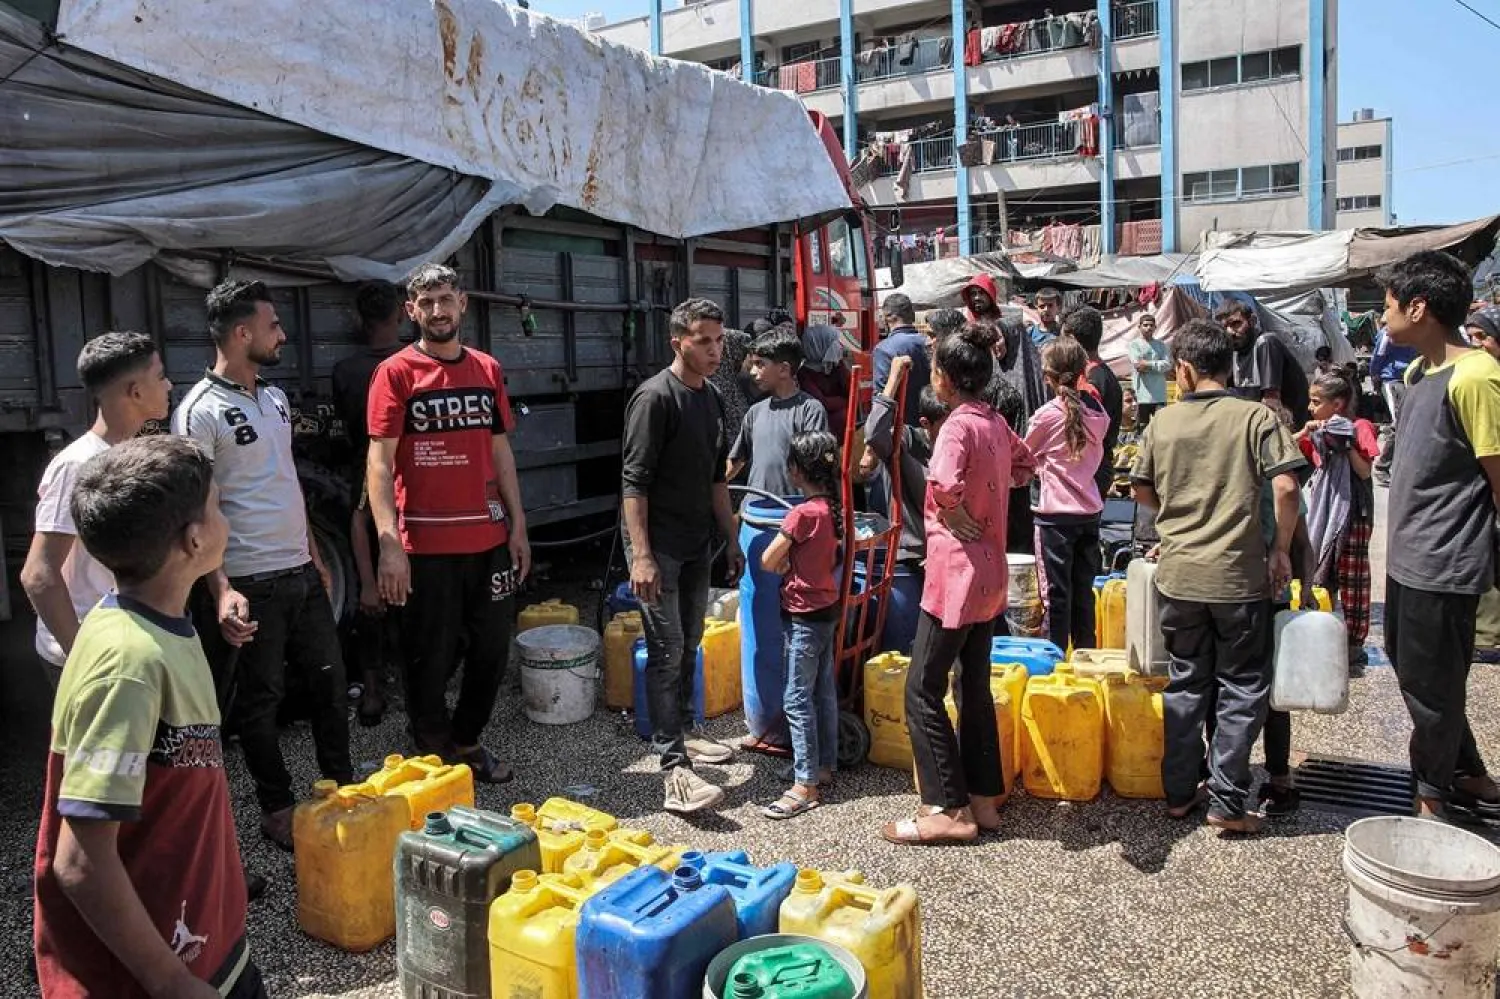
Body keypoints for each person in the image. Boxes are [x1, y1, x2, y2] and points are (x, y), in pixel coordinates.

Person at [33, 436, 267, 999]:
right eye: (217, 506)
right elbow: (81, 862)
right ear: (193, 540)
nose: (224, 518)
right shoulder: (128, 663)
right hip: (156, 977)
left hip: (211, 949)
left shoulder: (158, 622)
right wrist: (169, 980)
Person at [173, 280, 353, 850]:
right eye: (273, 325)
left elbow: (285, 484)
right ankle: (276, 806)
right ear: (242, 332)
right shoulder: (199, 411)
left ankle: (341, 789)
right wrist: (220, 588)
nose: (282, 334)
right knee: (260, 701)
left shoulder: (274, 399)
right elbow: (200, 510)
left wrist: (314, 555)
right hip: (249, 583)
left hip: (301, 571)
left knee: (330, 686)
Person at [1130, 318, 1305, 834]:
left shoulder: (1162, 423)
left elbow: (1140, 490)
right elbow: (1288, 489)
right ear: (1227, 366)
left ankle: (1180, 793)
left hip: (1180, 576)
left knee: (1186, 683)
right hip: (1238, 579)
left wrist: (1176, 518)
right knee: (1241, 686)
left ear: (1182, 369)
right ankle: (1227, 802)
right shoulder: (1256, 417)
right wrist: (1279, 550)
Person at [365, 263, 530, 784]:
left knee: (491, 651)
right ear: (411, 310)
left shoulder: (486, 368)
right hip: (425, 545)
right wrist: (389, 544)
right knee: (428, 658)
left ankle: (467, 740)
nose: (437, 311)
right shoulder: (395, 373)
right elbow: (378, 463)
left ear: (463, 302)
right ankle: (435, 753)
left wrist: (519, 526)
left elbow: (500, 450)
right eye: (425, 302)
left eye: (445, 299)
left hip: (488, 538)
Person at [881, 324, 1035, 846]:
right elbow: (1025, 464)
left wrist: (955, 510)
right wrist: (990, 497)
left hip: (955, 575)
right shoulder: (993, 420)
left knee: (921, 688)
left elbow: (942, 484)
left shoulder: (954, 427)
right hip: (989, 577)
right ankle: (984, 800)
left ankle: (949, 807)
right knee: (972, 686)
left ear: (942, 379)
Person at [1379, 251, 1500, 822]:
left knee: (1432, 685)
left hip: (1445, 560)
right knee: (1420, 673)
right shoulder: (1416, 373)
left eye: (1388, 305)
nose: (1382, 318)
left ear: (1418, 307)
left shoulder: (1478, 376)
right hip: (1409, 557)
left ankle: (1432, 797)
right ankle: (1468, 771)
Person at [620, 298, 745, 813]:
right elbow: (633, 484)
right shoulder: (655, 399)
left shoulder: (712, 397)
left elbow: (718, 478)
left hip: (698, 545)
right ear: (679, 342)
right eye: (703, 340)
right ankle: (673, 768)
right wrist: (642, 556)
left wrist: (731, 536)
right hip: (659, 549)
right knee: (667, 651)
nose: (715, 349)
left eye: (719, 340)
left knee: (690, 643)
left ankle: (688, 730)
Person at [22, 331, 172, 691]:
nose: (169, 385)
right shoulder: (77, 465)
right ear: (135, 392)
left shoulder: (128, 454)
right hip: (95, 658)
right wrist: (83, 661)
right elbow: (38, 575)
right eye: (160, 376)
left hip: (123, 647)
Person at [759, 431, 845, 820]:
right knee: (822, 691)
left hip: (803, 616)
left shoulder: (802, 514)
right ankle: (823, 765)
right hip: (826, 608)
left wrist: (784, 563)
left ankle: (804, 784)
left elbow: (767, 560)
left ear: (795, 471)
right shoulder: (830, 509)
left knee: (797, 698)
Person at [331, 280, 405, 726]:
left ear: (360, 320)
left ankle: (374, 688)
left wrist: (366, 583)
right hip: (412, 482)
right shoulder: (413, 363)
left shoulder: (346, 370)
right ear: (401, 313)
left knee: (373, 597)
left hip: (365, 472)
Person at [1025, 338, 1110, 654]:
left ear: (1048, 375)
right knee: (1083, 593)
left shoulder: (1047, 415)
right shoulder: (1097, 411)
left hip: (1054, 519)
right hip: (1089, 513)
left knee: (1054, 597)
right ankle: (1087, 658)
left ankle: (1054, 662)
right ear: (1082, 372)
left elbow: (1024, 454)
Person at [1294, 371, 1379, 669]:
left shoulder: (1360, 427)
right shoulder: (1316, 431)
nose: (1310, 408)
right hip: (1322, 514)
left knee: (1353, 579)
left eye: (1316, 402)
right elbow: (1286, 451)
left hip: (1353, 514)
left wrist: (1345, 444)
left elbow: (1365, 471)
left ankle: (1353, 644)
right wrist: (1305, 432)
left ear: (1338, 404)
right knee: (1320, 573)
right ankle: (1322, 632)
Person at [865, 354, 949, 571]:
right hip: (913, 555)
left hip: (950, 551)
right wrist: (893, 381)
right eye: (947, 425)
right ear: (925, 424)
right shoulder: (906, 442)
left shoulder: (960, 447)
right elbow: (874, 434)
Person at [728, 327, 830, 499]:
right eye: (752, 364)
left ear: (784, 369)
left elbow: (817, 466)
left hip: (792, 510)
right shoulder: (755, 412)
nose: (752, 371)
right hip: (756, 511)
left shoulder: (810, 410)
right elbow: (737, 460)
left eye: (760, 364)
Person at [1062, 305, 1123, 502]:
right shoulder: (1098, 374)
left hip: (1090, 469)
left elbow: (1086, 431)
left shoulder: (1091, 381)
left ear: (1072, 339)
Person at [1218, 299, 1311, 421]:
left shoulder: (1266, 343)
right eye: (1225, 327)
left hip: (1288, 425)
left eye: (1236, 324)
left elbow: (1271, 402)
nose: (1230, 332)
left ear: (1252, 321)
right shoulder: (1234, 353)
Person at [1369, 323, 1417, 487]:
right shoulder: (1388, 332)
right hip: (1392, 379)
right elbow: (1379, 355)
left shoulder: (1419, 327)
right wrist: (1375, 376)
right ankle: (1382, 467)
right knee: (1400, 423)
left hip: (1412, 377)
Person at [873, 293, 930, 428]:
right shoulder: (930, 343)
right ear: (912, 315)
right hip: (931, 426)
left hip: (901, 430)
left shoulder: (883, 349)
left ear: (887, 317)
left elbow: (881, 395)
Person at [797, 324, 851, 434]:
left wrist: (841, 365)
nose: (838, 346)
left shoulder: (835, 367)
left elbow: (852, 393)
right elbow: (822, 403)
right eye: (833, 342)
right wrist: (846, 401)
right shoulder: (804, 374)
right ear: (818, 346)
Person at [1126, 313, 1170, 428]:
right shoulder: (1134, 345)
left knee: (1161, 428)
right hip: (1142, 395)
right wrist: (1157, 365)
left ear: (1155, 327)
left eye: (1151, 325)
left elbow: (1167, 365)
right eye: (1145, 325)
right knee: (1142, 428)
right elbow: (1138, 365)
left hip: (1159, 395)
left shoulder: (1161, 345)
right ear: (1139, 327)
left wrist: (1147, 364)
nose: (1148, 328)